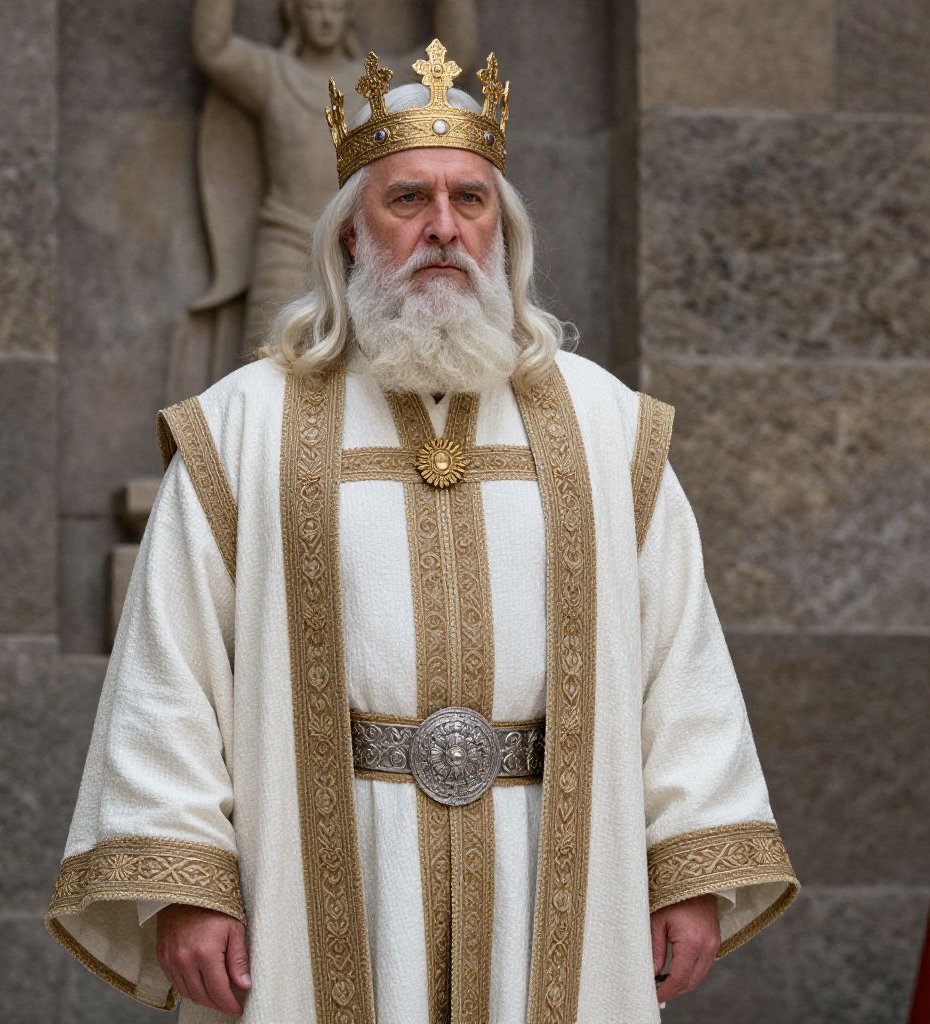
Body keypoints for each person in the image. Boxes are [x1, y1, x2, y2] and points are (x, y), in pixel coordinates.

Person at [46, 39, 800, 1024]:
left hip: (554, 865)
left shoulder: (610, 428)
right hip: (315, 870)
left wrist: (688, 861)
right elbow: (170, 668)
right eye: (407, 200)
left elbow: (679, 659)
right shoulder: (242, 426)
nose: (442, 227)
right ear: (352, 233)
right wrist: (189, 879)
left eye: (469, 200)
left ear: (503, 231)